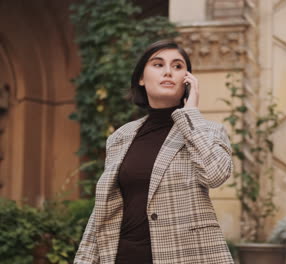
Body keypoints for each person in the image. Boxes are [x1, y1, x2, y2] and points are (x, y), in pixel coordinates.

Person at [74, 40, 234, 264]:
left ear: (187, 81)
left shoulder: (207, 131)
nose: (168, 72)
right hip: (123, 256)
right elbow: (103, 209)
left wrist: (190, 115)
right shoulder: (121, 137)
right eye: (158, 65)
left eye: (178, 67)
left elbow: (215, 174)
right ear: (141, 78)